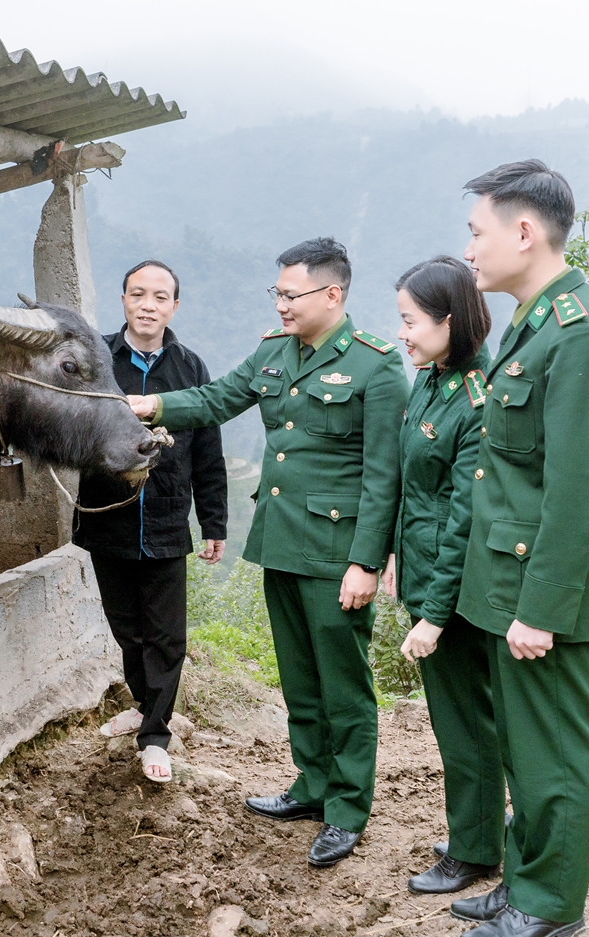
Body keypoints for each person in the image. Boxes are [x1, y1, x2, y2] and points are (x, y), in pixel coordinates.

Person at [127, 238, 406, 868]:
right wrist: (152, 405)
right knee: (301, 682)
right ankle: (311, 786)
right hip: (282, 541)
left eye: (290, 294)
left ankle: (346, 807)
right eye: (276, 293)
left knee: (343, 686)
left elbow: (386, 474)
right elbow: (218, 399)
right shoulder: (274, 351)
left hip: (338, 553)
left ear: (332, 295)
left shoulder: (377, 366)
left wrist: (368, 562)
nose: (279, 304)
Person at [449, 161, 589, 937]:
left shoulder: (583, 329)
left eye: (477, 231)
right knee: (525, 745)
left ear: (523, 232)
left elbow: (580, 486)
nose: (469, 250)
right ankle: (529, 875)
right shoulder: (534, 320)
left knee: (555, 747)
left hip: (544, 586)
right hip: (511, 576)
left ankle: (554, 900)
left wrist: (543, 606)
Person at [379, 256, 503, 895]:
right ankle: (482, 824)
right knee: (459, 716)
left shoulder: (476, 398)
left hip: (451, 590)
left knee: (464, 723)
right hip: (425, 571)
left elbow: (463, 517)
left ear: (448, 320)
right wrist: (401, 556)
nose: (402, 333)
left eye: (410, 321)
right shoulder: (433, 379)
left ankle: (476, 847)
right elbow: (416, 489)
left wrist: (434, 613)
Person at [76, 260, 228, 784]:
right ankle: (144, 706)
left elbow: (208, 451)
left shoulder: (190, 369)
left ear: (174, 307)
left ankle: (156, 736)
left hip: (165, 522)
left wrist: (214, 523)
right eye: (138, 294)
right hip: (108, 520)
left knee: (166, 635)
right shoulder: (96, 360)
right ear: (122, 300)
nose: (148, 305)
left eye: (159, 297)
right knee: (127, 630)